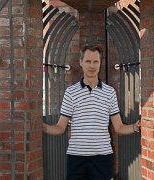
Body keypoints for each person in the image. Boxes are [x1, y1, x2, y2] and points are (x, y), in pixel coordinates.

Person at [42, 42, 141, 180]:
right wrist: (40, 126)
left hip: (103, 158)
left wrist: (135, 127)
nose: (92, 65)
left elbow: (119, 127)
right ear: (81, 62)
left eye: (96, 61)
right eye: (88, 61)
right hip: (76, 158)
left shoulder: (109, 92)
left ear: (100, 63)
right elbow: (59, 128)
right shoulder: (71, 93)